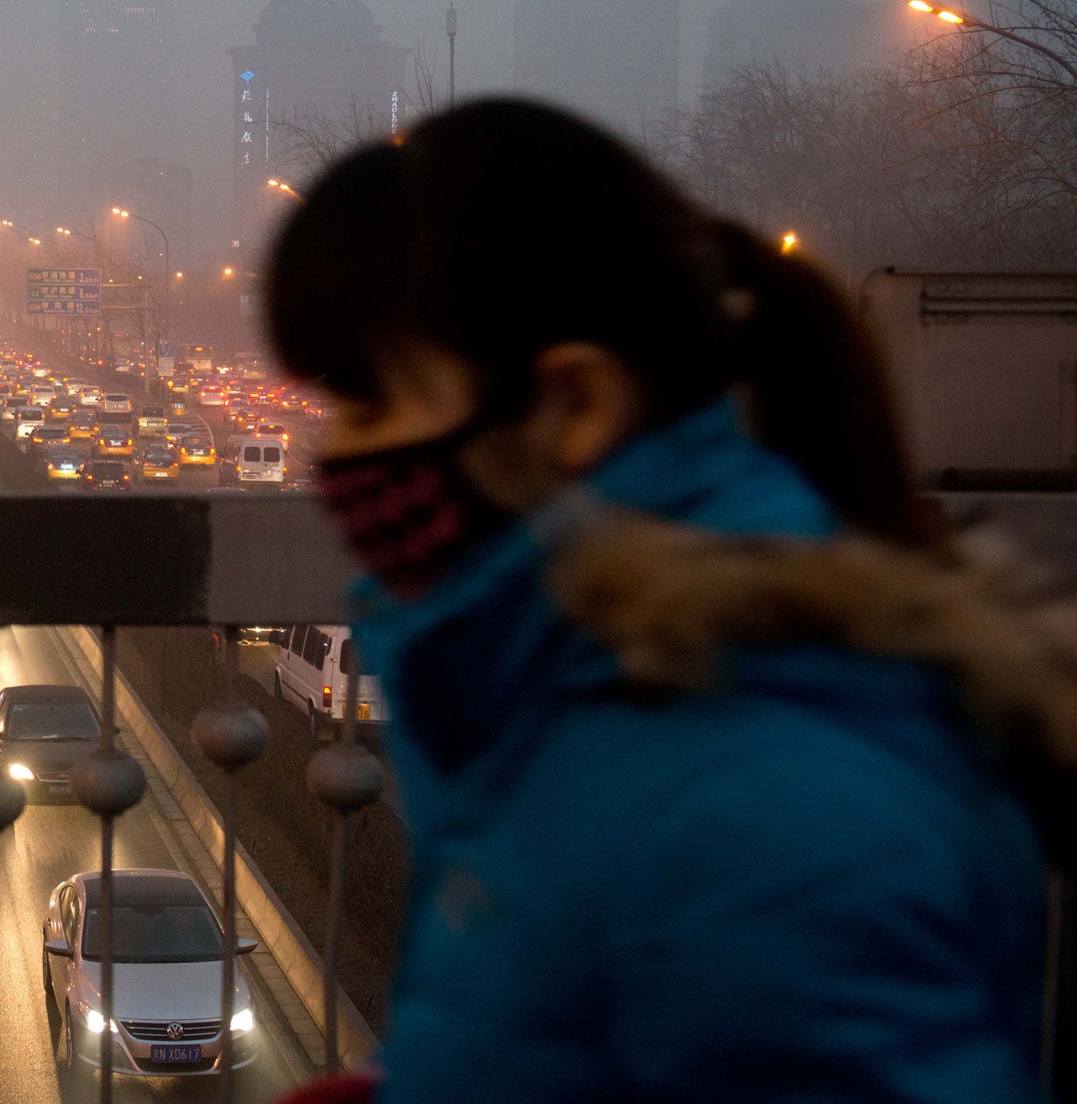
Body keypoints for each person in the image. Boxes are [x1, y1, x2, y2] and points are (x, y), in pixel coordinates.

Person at [265, 98, 1067, 1103]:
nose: (331, 457)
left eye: (368, 405)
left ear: (574, 406)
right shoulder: (587, 710)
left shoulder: (754, 811)